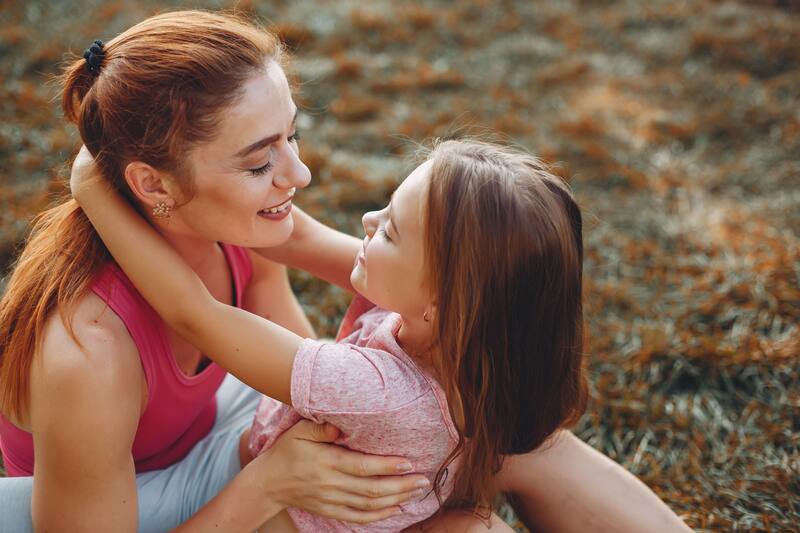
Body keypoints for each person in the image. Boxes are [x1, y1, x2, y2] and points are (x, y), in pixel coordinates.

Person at [0, 9, 691, 533]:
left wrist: (345, 436)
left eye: (291, 136)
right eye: (260, 160)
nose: (298, 175)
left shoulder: (235, 223)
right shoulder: (87, 353)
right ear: (154, 186)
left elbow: (316, 353)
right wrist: (274, 483)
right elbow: (197, 316)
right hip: (125, 492)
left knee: (502, 438)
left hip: (231, 425)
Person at [71, 138, 589, 532]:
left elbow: (194, 314)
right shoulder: (464, 345)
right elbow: (301, 238)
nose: (367, 219)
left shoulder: (379, 393)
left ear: (441, 299)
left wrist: (93, 189)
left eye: (389, 230)